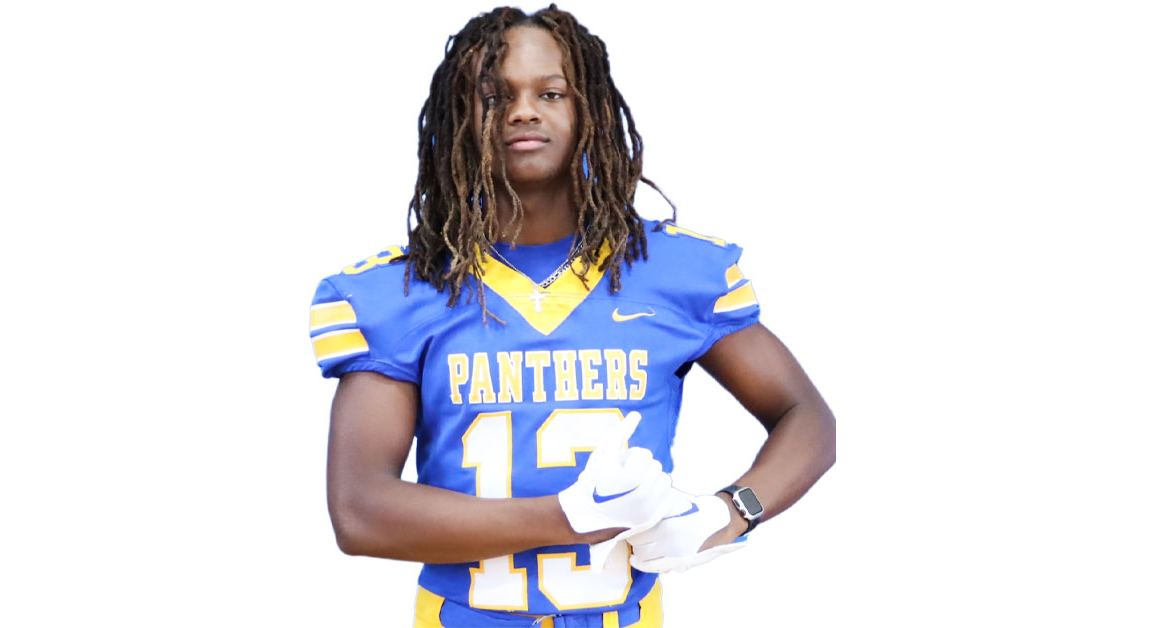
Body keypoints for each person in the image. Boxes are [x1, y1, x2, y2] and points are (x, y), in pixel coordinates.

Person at [308, 5, 835, 627]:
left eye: (550, 93)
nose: (523, 111)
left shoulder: (674, 273)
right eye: (493, 97)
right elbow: (360, 511)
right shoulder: (398, 292)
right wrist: (570, 517)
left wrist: (729, 511)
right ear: (457, 119)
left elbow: (807, 417)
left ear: (591, 112)